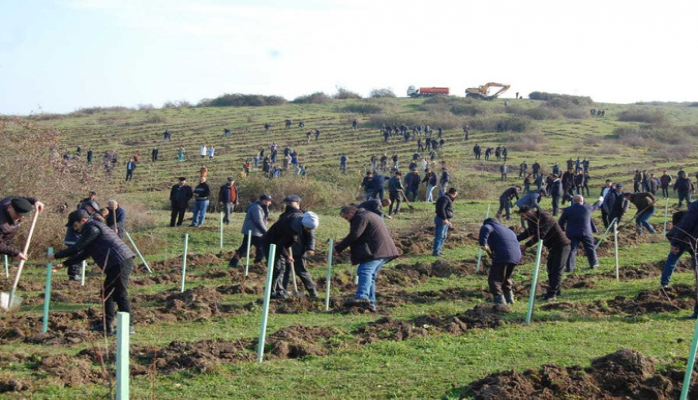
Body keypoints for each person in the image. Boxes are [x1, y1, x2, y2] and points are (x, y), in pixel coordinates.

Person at [51, 209, 136, 336]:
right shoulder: (93, 229)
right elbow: (85, 253)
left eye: (75, 225)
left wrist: (55, 256)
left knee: (119, 294)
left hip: (120, 261)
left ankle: (128, 327)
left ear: (83, 221)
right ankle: (106, 326)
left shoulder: (92, 228)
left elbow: (77, 247)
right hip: (116, 262)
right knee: (107, 293)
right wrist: (64, 264)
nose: (75, 229)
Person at [334, 205, 399, 311]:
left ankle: (362, 297)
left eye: (346, 218)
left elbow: (355, 234)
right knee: (370, 276)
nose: (347, 220)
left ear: (352, 211)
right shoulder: (370, 214)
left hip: (376, 250)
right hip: (382, 250)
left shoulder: (361, 217)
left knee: (364, 271)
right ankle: (369, 305)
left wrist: (338, 248)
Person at [263, 196, 316, 299]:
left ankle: (312, 292)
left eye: (291, 203)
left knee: (299, 270)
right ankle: (277, 292)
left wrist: (310, 247)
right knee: (280, 269)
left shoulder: (306, 218)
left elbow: (310, 235)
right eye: (287, 203)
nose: (288, 205)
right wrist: (287, 255)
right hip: (280, 246)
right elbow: (281, 243)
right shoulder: (288, 219)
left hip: (297, 248)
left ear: (298, 203)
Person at [517, 206, 571, 302]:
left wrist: (526, 245)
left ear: (529, 212)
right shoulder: (532, 220)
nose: (523, 219)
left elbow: (541, 234)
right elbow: (529, 232)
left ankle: (552, 295)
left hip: (562, 246)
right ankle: (556, 290)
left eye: (523, 216)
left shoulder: (545, 217)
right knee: (550, 269)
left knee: (556, 270)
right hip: (552, 247)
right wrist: (515, 239)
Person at [479, 217, 522, 305]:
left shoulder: (489, 226)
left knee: (495, 279)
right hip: (516, 255)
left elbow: (486, 228)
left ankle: (500, 302)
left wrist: (483, 244)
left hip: (503, 254)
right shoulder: (507, 230)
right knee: (505, 278)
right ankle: (510, 299)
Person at [558, 195, 603, 272]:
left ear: (573, 201)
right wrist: (600, 200)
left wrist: (563, 230)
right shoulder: (587, 207)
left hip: (572, 233)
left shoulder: (568, 209)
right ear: (582, 201)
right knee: (590, 248)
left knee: (572, 250)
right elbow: (596, 206)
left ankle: (569, 267)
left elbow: (561, 222)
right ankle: (594, 264)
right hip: (586, 232)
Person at [229, 195, 272, 267]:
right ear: (263, 200)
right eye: (269, 201)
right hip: (254, 231)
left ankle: (234, 262)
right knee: (260, 247)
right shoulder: (256, 208)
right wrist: (265, 232)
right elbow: (258, 221)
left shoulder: (262, 207)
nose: (270, 203)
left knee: (246, 247)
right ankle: (258, 263)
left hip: (254, 231)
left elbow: (262, 219)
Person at [284, 211, 319, 298]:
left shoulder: (309, 223)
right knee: (284, 271)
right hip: (287, 249)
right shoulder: (292, 221)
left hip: (300, 251)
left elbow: (311, 237)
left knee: (301, 271)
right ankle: (282, 290)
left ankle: (312, 292)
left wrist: (310, 248)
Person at [0, 197, 45, 262]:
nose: (21, 217)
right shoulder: (2, 224)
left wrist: (34, 201)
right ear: (10, 207)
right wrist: (16, 253)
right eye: (18, 214)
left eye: (23, 215)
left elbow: (21, 200)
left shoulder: (9, 201)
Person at [433, 188, 458, 257]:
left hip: (445, 219)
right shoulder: (445, 198)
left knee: (443, 236)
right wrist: (444, 219)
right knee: (439, 235)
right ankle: (436, 252)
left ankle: (439, 250)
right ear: (454, 193)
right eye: (456, 194)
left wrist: (448, 220)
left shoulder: (447, 198)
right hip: (441, 219)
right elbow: (441, 209)